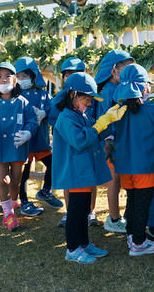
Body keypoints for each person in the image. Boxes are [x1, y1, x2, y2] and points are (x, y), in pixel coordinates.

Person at [51, 72, 127, 264]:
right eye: (86, 99)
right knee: (75, 212)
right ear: (72, 95)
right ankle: (72, 249)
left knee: (83, 210)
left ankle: (84, 244)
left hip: (84, 172)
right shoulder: (66, 117)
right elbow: (80, 140)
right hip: (75, 173)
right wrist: (100, 125)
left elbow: (95, 134)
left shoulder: (81, 114)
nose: (90, 103)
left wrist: (107, 121)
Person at [112, 64, 154, 256]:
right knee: (143, 204)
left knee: (132, 202)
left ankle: (131, 235)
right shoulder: (152, 110)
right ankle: (139, 243)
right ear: (144, 88)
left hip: (125, 166)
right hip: (145, 166)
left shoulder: (118, 110)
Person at [0, 62, 37, 231]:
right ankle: (8, 214)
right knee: (3, 180)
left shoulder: (23, 102)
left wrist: (28, 132)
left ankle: (12, 204)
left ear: (15, 79)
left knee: (16, 181)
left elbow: (32, 121)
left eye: (7, 76)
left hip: (18, 148)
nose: (3, 80)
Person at [50, 57, 98, 228]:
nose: (89, 103)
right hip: (71, 154)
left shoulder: (81, 106)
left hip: (83, 158)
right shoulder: (65, 111)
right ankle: (75, 245)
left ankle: (89, 217)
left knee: (84, 199)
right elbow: (77, 137)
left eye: (76, 73)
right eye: (67, 74)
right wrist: (95, 129)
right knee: (75, 204)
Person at [15, 57, 62, 217]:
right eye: (19, 77)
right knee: (24, 173)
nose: (22, 80)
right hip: (25, 142)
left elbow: (52, 108)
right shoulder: (16, 93)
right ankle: (24, 201)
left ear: (33, 76)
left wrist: (45, 113)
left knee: (54, 164)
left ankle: (45, 191)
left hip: (41, 141)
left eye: (25, 76)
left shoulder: (43, 93)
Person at [94, 49, 135, 233]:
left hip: (116, 141)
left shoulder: (111, 88)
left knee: (117, 180)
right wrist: (108, 140)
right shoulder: (110, 91)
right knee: (114, 182)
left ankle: (117, 217)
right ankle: (114, 218)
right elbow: (104, 118)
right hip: (110, 143)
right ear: (114, 70)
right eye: (126, 70)